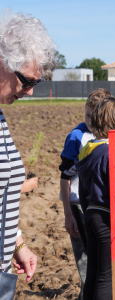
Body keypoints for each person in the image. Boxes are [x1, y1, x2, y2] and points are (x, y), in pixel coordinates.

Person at [0, 11, 56, 288]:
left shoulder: (0, 116)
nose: (31, 91)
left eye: (37, 83)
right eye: (28, 82)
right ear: (2, 63)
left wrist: (16, 242)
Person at [75, 97, 115, 300]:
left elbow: (83, 190)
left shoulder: (86, 150)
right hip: (108, 220)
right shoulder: (112, 153)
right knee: (106, 276)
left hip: (91, 214)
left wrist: (87, 212)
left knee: (93, 271)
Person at [59, 88, 112, 300]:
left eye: (95, 117)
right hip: (79, 206)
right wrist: (68, 214)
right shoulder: (76, 137)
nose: (90, 121)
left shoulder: (109, 135)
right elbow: (65, 176)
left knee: (101, 261)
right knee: (86, 260)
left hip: (101, 206)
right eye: (87, 115)